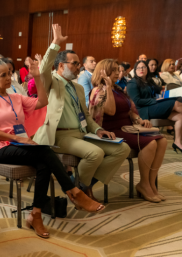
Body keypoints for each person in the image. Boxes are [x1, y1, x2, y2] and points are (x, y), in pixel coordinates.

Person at [0, 57, 103, 237]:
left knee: (44, 164)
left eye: (9, 74)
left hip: (19, 144)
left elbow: (42, 102)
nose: (9, 78)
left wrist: (37, 76)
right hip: (0, 148)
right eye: (3, 75)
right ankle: (74, 192)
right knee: (45, 151)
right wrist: (18, 138)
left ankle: (36, 214)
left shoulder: (16, 97)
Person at [32, 24, 129, 203]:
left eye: (78, 63)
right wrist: (55, 42)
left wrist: (98, 130)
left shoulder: (77, 87)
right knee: (95, 153)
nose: (78, 67)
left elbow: (86, 115)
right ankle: (80, 192)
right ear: (61, 65)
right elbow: (43, 68)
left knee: (122, 149)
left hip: (81, 133)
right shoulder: (51, 81)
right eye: (74, 63)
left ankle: (81, 186)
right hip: (59, 136)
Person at [88, 59, 167, 203]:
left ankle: (150, 184)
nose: (118, 73)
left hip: (127, 128)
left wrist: (139, 120)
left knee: (162, 141)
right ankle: (144, 184)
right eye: (114, 70)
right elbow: (111, 111)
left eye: (118, 70)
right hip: (111, 130)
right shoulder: (98, 90)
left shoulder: (118, 89)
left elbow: (130, 110)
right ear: (103, 72)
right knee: (150, 144)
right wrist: (108, 87)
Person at [127, 60, 182, 153]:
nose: (141, 69)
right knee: (176, 104)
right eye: (138, 68)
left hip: (154, 106)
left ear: (147, 69)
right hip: (144, 110)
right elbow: (137, 101)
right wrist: (155, 100)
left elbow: (159, 90)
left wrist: (168, 93)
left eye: (143, 67)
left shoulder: (149, 81)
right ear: (135, 70)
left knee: (181, 116)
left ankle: (177, 142)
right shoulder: (132, 83)